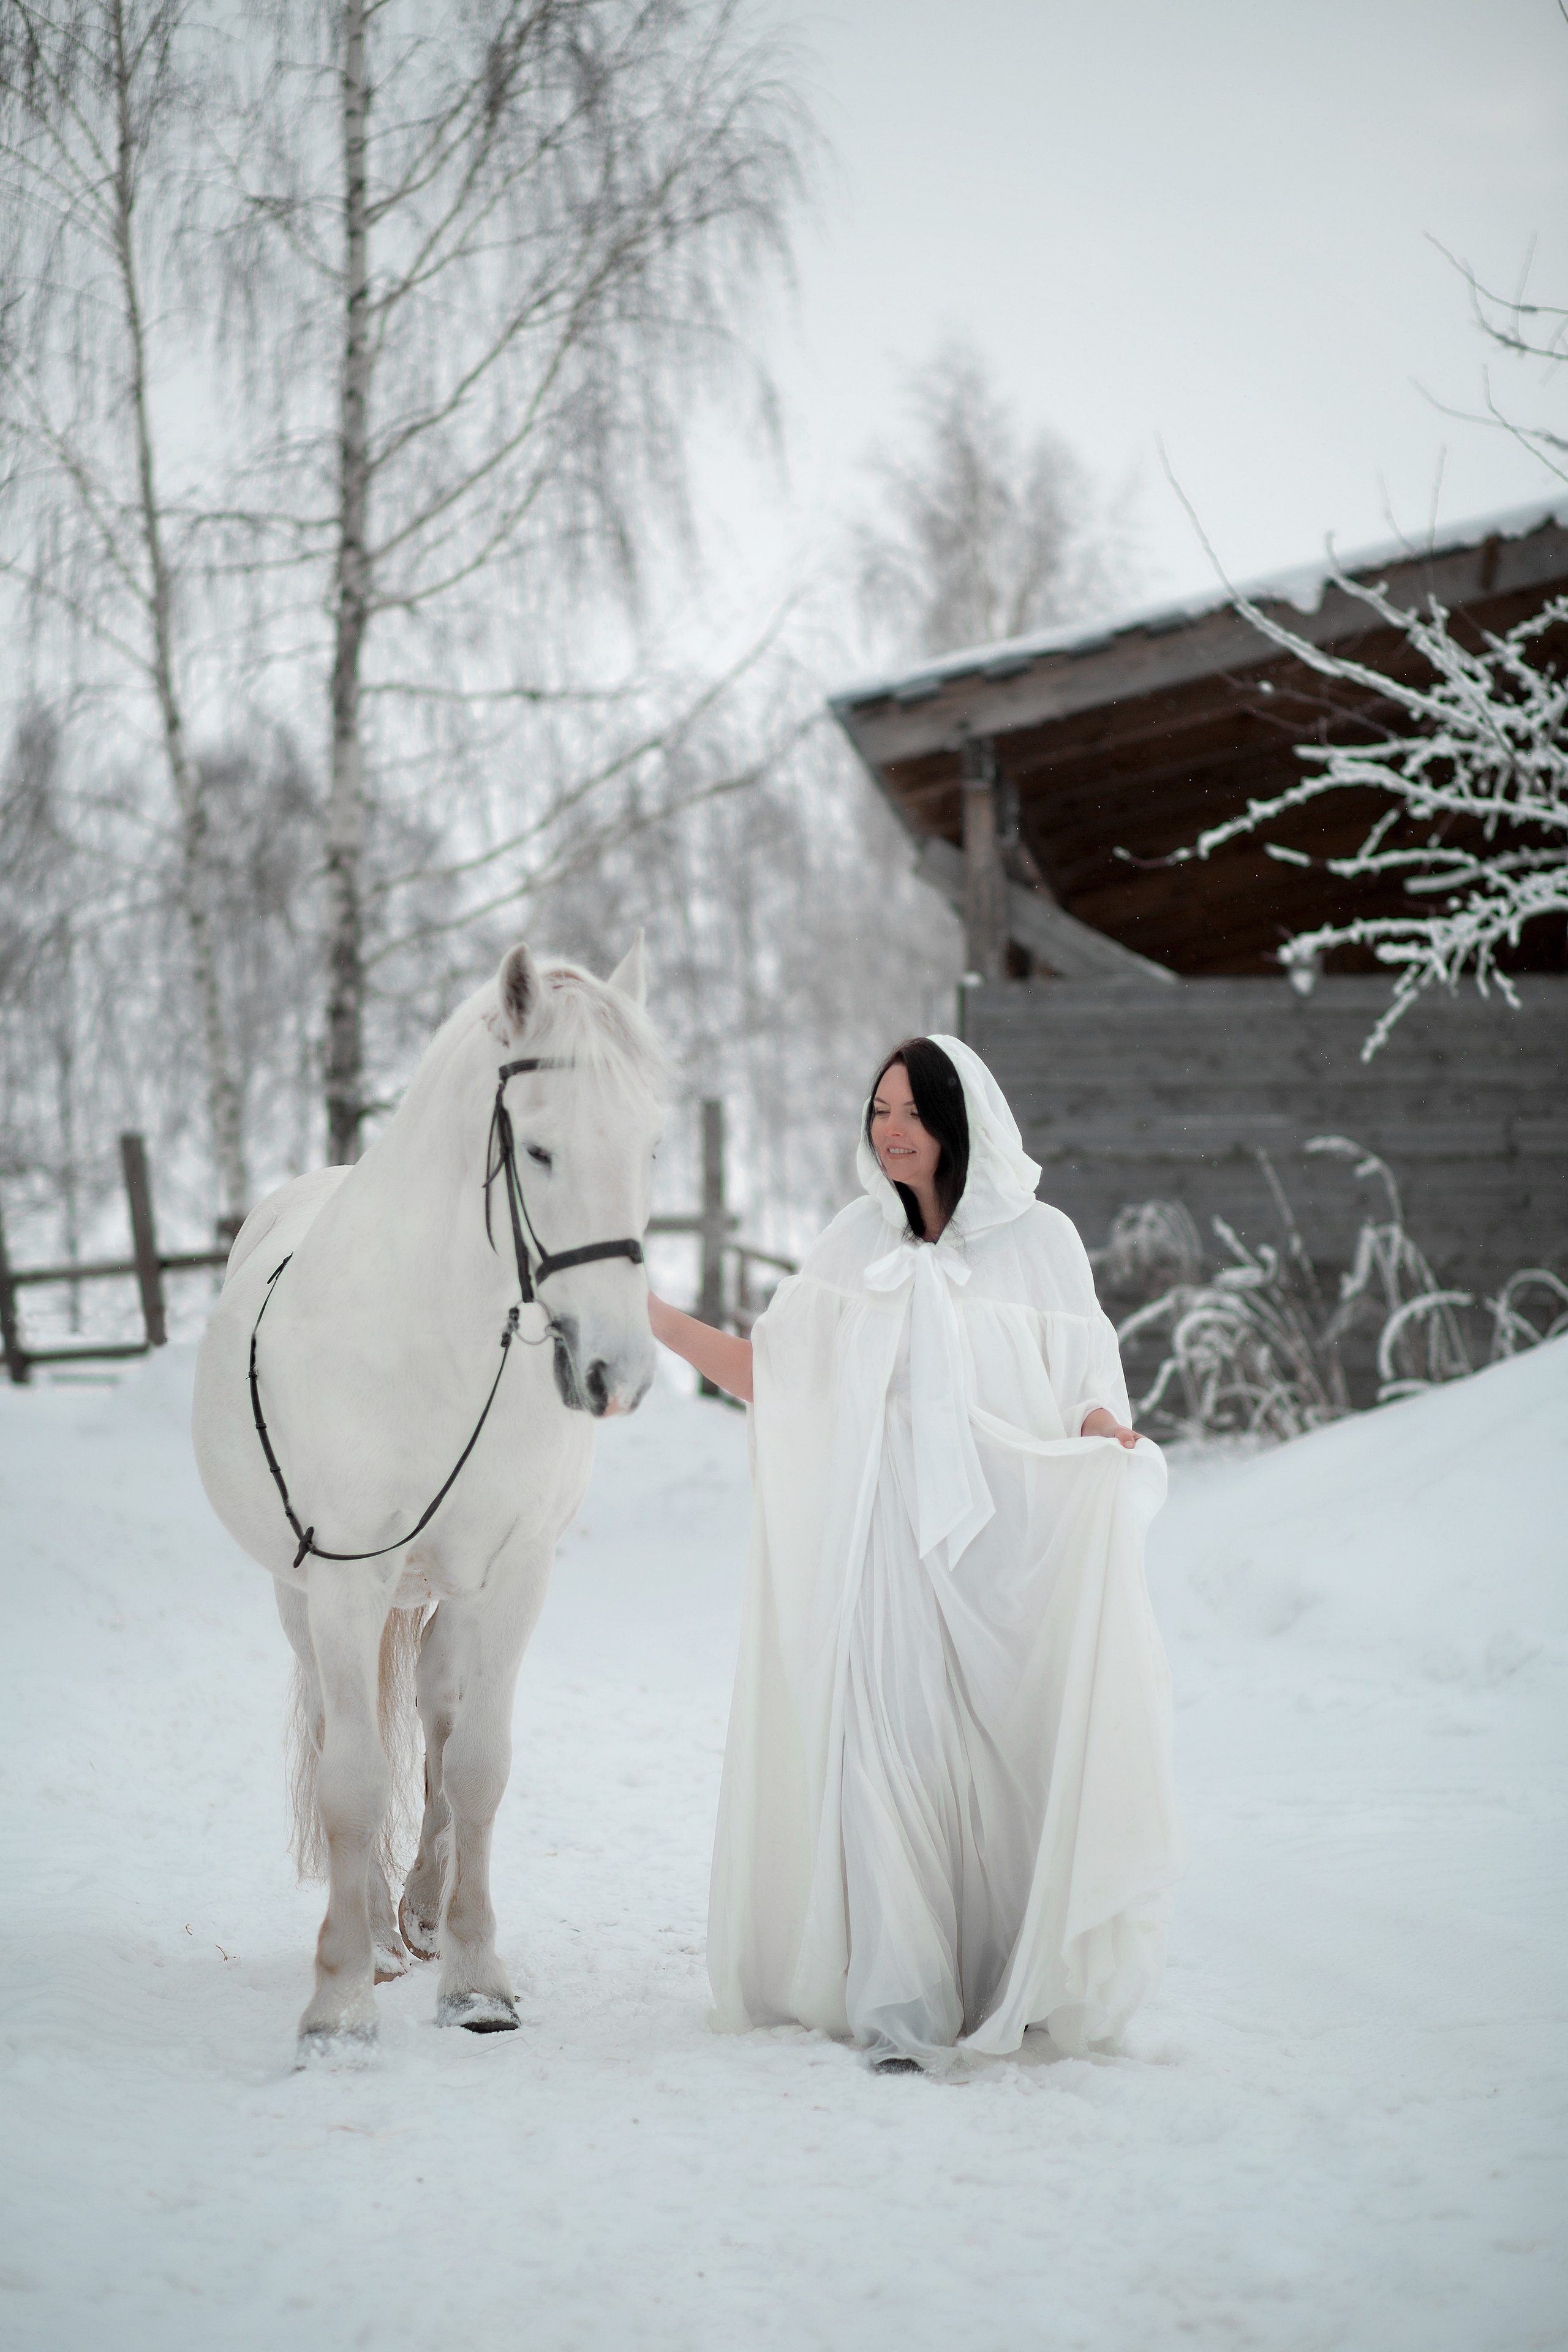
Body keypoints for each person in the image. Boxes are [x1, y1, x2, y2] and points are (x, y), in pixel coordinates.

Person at [648, 1035, 1184, 2071]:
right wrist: (659, 1321)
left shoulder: (1044, 1244)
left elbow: (1084, 1378)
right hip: (884, 1551)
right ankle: (901, 2000)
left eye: (911, 1111)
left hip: (1004, 1550)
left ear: (959, 1122)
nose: (889, 1130)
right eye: (878, 1109)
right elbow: (777, 1375)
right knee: (884, 1749)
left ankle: (999, 1970)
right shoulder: (856, 1241)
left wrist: (1102, 1435)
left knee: (1000, 1766)